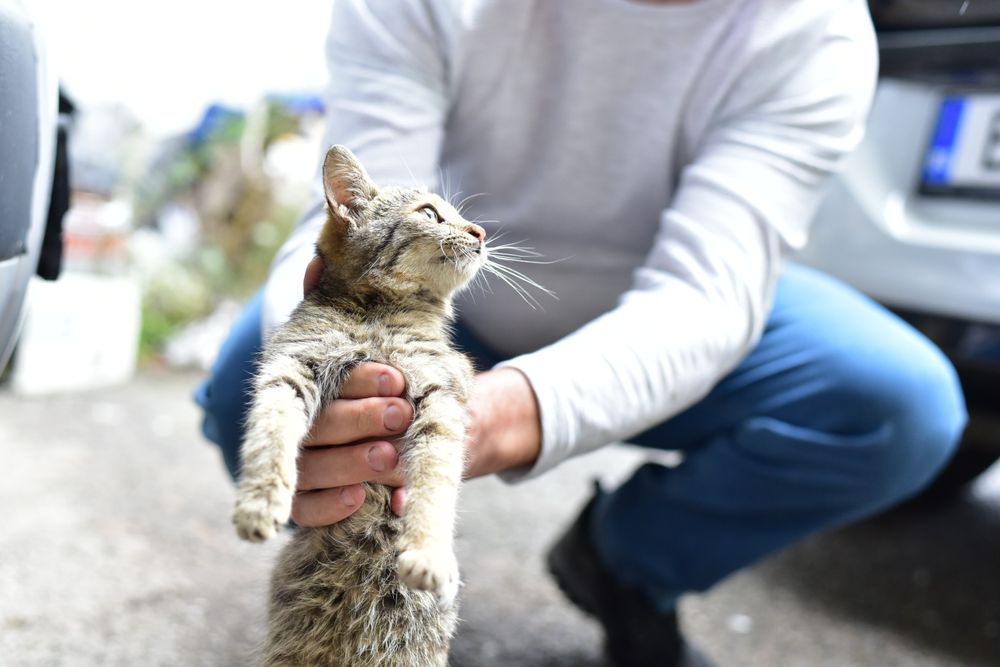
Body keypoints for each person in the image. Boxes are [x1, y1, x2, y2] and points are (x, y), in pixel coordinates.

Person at [197, 1, 967, 665]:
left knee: (899, 405)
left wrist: (488, 418)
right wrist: (327, 385)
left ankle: (629, 556)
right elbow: (352, 218)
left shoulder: (814, 29)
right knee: (256, 392)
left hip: (667, 306)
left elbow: (706, 297)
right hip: (441, 311)